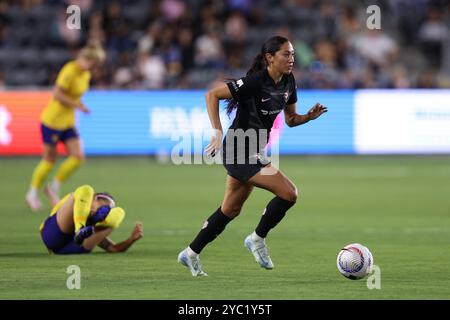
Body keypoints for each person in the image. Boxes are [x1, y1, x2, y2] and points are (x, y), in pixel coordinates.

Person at [178, 36, 327, 276]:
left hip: (255, 150)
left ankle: (190, 253)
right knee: (289, 193)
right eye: (286, 54)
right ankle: (257, 239)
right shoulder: (256, 82)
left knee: (230, 209)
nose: (291, 59)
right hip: (238, 150)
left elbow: (290, 120)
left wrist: (308, 117)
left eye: (292, 54)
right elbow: (212, 95)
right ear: (270, 57)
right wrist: (216, 132)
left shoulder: (289, 82)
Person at [26, 42, 106, 212]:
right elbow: (57, 94)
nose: (93, 67)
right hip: (53, 121)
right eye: (93, 63)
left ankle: (54, 187)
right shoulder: (70, 70)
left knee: (78, 157)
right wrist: (77, 105)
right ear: (85, 59)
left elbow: (75, 96)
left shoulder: (85, 74)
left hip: (68, 122)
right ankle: (32, 193)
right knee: (49, 160)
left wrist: (79, 106)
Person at [39, 184, 143, 254]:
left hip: (72, 248)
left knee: (117, 214)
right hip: (54, 235)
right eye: (101, 207)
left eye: (104, 211)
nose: (97, 210)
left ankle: (81, 229)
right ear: (94, 198)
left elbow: (113, 248)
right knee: (85, 191)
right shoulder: (80, 199)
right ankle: (80, 228)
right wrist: (50, 194)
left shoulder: (94, 228)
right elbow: (59, 208)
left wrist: (131, 240)